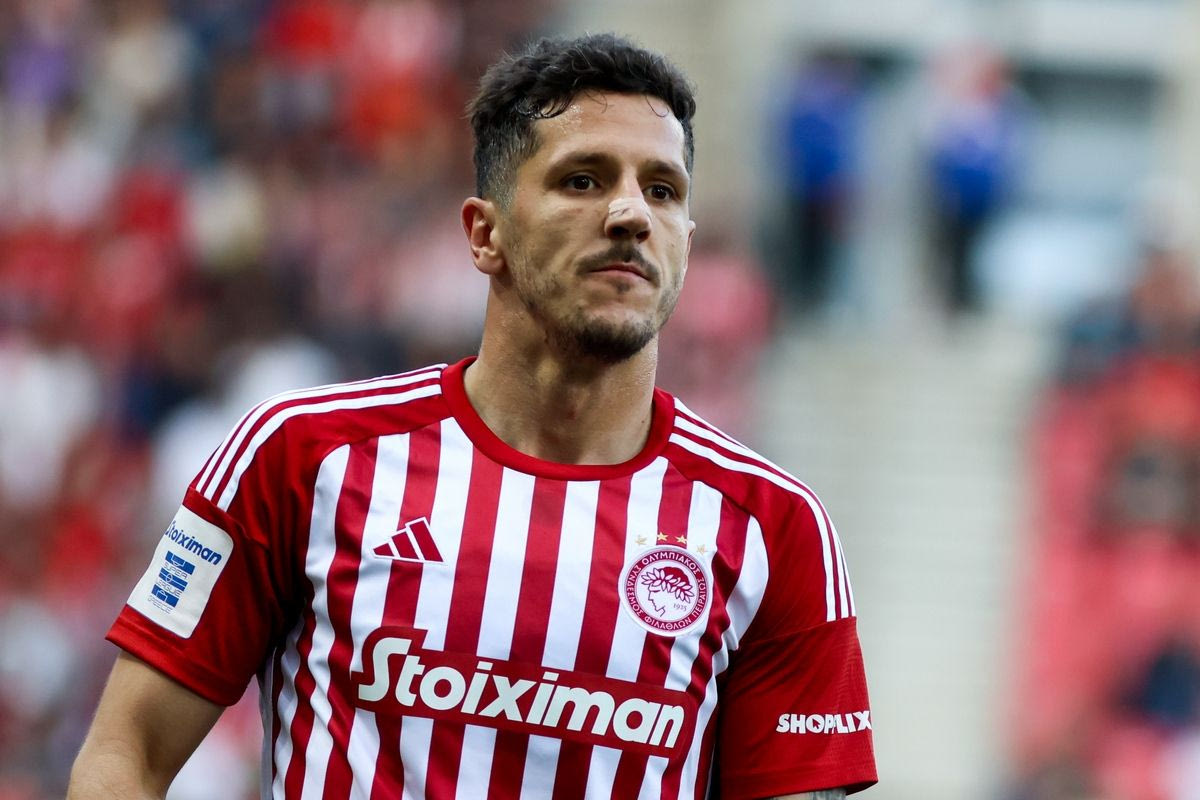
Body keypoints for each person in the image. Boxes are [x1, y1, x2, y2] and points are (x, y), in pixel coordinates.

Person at [68, 33, 877, 799]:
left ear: (686, 242)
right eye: (583, 180)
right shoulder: (301, 456)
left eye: (662, 190)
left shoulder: (775, 529)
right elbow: (125, 753)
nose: (631, 214)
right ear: (485, 234)